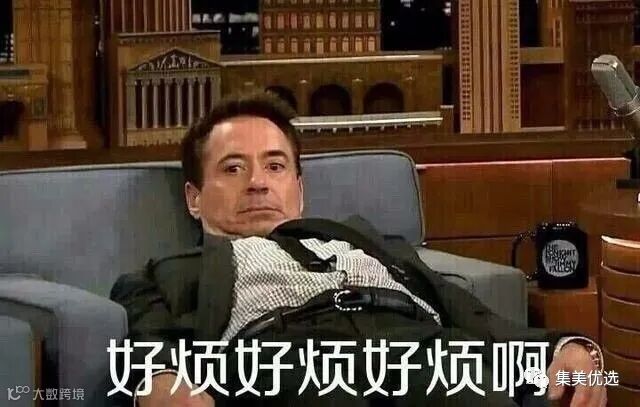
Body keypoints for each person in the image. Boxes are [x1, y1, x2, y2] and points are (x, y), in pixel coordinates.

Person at [110, 91, 606, 407]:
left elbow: (473, 316)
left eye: (275, 166)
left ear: (299, 189)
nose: (258, 182)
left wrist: (566, 347)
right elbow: (148, 345)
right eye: (234, 168)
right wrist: (160, 383)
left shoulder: (366, 242)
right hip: (288, 362)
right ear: (194, 198)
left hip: (423, 352)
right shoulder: (166, 273)